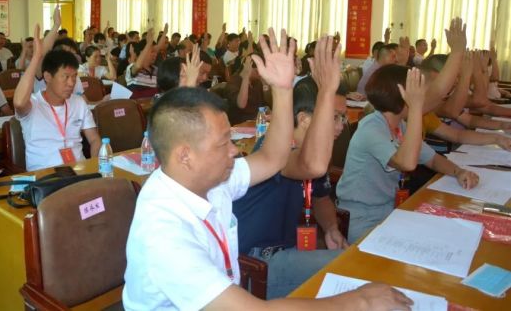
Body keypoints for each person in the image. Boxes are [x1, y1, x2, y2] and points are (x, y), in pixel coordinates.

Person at [123, 29, 413, 311]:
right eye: (224, 143)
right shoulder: (163, 232)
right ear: (185, 156)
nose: (234, 150)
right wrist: (360, 302)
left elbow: (273, 158)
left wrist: (283, 88)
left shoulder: (211, 178)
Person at [234, 36, 350, 299]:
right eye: (335, 116)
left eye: (342, 117)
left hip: (286, 251)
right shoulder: (277, 149)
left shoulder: (315, 148)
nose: (342, 125)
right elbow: (312, 166)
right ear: (305, 119)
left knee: (349, 266)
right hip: (254, 264)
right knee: (348, 272)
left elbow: (320, 197)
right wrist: (326, 91)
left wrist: (331, 228)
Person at [336, 64, 479, 243]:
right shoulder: (371, 128)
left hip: (389, 209)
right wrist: (417, 108)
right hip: (361, 217)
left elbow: (432, 159)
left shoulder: (400, 126)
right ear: (402, 97)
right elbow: (407, 163)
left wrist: (459, 172)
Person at [13, 25, 101, 171]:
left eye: (74, 77)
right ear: (47, 77)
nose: (71, 83)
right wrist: (36, 57)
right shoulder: (33, 105)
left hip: (79, 172)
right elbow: (18, 102)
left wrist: (94, 165)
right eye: (66, 77)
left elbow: (94, 139)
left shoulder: (78, 103)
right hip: (46, 177)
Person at [225, 54, 269, 125]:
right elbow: (241, 104)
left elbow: (265, 104)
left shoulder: (257, 82)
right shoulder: (233, 82)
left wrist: (265, 83)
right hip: (240, 126)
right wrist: (246, 76)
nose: (260, 74)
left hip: (257, 122)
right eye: (258, 71)